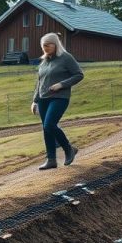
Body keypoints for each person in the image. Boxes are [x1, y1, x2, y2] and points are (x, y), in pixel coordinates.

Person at [30, 32, 84, 170]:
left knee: (49, 125)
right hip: (43, 99)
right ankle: (51, 160)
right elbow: (39, 82)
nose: (45, 48)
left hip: (59, 98)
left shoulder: (66, 58)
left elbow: (79, 75)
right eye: (43, 46)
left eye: (48, 45)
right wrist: (35, 101)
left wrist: (62, 84)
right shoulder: (44, 62)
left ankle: (68, 149)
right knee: (46, 129)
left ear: (56, 44)